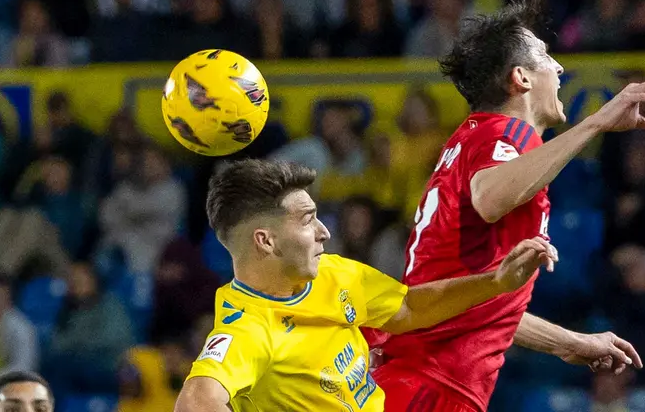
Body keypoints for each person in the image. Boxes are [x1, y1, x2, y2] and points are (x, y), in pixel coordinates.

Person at [369, 0, 645, 412]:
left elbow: (478, 299)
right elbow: (489, 198)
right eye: (546, 57)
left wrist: (569, 342)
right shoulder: (507, 134)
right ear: (520, 78)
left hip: (420, 379)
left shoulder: (475, 139)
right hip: (432, 383)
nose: (559, 68)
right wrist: (595, 122)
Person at [173, 159, 573, 411]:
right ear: (265, 241)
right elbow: (196, 402)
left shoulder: (334, 273)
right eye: (308, 220)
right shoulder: (249, 328)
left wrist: (496, 282)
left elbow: (410, 308)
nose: (325, 232)